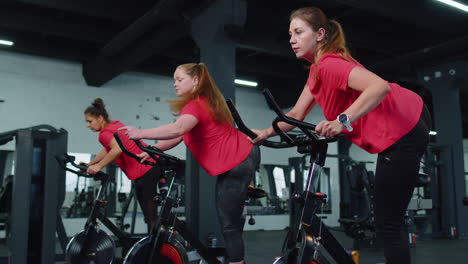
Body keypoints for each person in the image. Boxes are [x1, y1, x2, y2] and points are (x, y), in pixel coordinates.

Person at [250, 7, 431, 264]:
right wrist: (265, 133)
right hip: (410, 115)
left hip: (405, 129)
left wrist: (341, 120)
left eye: (299, 32)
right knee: (387, 218)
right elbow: (297, 113)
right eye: (290, 33)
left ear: (320, 34)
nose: (292, 39)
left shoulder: (330, 64)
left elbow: (378, 87)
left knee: (388, 224)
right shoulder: (316, 71)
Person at [120, 63, 260, 264]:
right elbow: (178, 135)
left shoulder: (196, 104)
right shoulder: (202, 103)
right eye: (174, 80)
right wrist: (153, 151)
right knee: (231, 221)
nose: (175, 84)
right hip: (244, 154)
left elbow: (177, 129)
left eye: (179, 79)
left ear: (195, 80)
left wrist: (140, 133)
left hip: (239, 159)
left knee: (228, 226)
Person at [84, 98, 166, 233]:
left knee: (150, 217)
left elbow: (116, 149)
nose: (88, 125)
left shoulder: (104, 134)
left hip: (145, 170)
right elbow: (108, 149)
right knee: (150, 216)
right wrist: (91, 163)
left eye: (89, 121)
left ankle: (155, 250)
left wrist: (98, 167)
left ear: (100, 118)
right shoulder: (116, 125)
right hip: (153, 165)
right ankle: (154, 242)